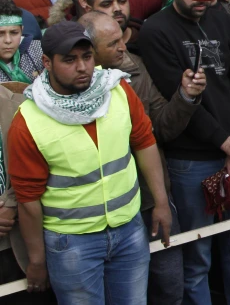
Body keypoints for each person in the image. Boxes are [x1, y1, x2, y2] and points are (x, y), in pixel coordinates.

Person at [7, 21, 172, 303]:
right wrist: (36, 260)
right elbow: (28, 200)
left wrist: (161, 202)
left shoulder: (118, 90)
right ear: (47, 62)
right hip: (71, 242)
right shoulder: (28, 121)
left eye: (87, 56)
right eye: (69, 60)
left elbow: (144, 142)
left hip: (128, 228)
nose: (82, 67)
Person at [79, 10, 206, 305]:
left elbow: (160, 128)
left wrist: (185, 97)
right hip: (97, 216)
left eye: (121, 38)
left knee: (170, 285)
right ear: (89, 49)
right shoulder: (62, 95)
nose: (123, 47)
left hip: (149, 201)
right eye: (112, 44)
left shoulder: (136, 70)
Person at [139, 0, 230, 304]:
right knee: (196, 257)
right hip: (191, 159)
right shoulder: (155, 30)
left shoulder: (221, 19)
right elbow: (179, 103)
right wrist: (228, 144)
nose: (201, 0)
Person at [0, 0, 43, 83]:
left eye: (14, 33)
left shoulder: (39, 50)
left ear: (21, 30)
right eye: (0, 33)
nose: (8, 40)